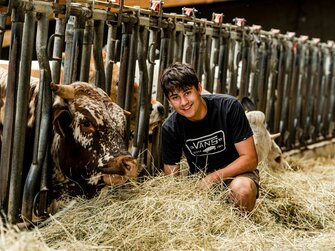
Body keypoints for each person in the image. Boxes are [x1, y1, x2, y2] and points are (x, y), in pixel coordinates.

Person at [160, 62, 259, 212]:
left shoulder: (229, 107)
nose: (184, 102)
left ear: (199, 88)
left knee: (242, 190)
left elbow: (250, 159)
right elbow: (171, 180)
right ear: (169, 101)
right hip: (199, 183)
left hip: (238, 174)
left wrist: (213, 178)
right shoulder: (170, 127)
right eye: (175, 97)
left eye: (187, 92)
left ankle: (240, 232)